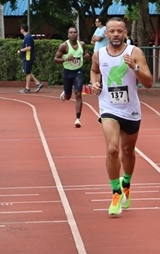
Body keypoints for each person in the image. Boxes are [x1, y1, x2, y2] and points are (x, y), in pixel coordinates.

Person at [90, 17, 153, 217]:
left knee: (127, 150)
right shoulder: (99, 54)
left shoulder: (135, 52)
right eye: (112, 31)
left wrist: (135, 67)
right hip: (108, 107)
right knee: (112, 149)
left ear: (125, 33)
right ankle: (116, 192)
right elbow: (94, 71)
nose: (116, 34)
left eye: (119, 31)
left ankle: (126, 183)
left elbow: (149, 82)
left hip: (131, 109)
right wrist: (94, 83)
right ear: (106, 34)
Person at [54, 27, 89, 128]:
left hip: (78, 72)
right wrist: (66, 59)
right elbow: (55, 59)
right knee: (68, 96)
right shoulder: (64, 46)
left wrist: (86, 56)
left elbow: (84, 53)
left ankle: (77, 118)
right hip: (67, 72)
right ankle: (65, 94)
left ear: (77, 34)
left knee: (78, 94)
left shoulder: (82, 44)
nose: (73, 34)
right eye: (71, 32)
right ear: (68, 35)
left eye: (75, 32)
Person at [18, 24, 44, 93]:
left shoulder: (28, 37)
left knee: (27, 72)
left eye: (20, 29)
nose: (20, 30)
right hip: (26, 57)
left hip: (28, 57)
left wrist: (21, 50)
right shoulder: (26, 37)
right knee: (27, 72)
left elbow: (29, 47)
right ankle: (38, 83)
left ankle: (27, 88)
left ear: (23, 29)